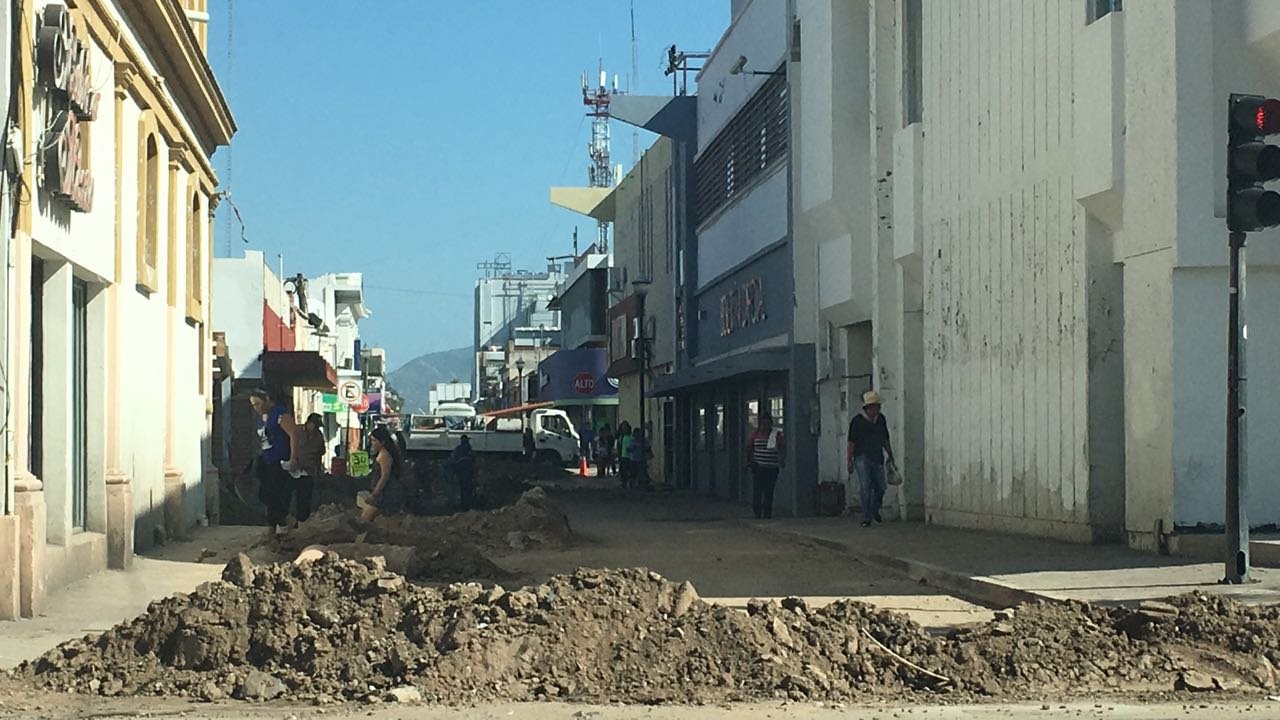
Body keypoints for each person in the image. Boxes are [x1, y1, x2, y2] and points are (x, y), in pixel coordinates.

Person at [249, 388, 298, 535]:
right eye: (253, 405)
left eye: (258, 404)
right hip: (267, 459)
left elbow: (293, 434)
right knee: (264, 493)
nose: (256, 408)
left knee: (273, 493)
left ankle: (286, 521)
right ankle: (274, 525)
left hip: (280, 459)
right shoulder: (263, 418)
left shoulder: (280, 414)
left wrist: (293, 457)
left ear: (268, 400)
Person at [847, 390, 894, 527]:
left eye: (878, 406)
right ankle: (867, 517)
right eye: (875, 406)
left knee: (881, 487)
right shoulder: (857, 421)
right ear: (868, 408)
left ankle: (874, 509)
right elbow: (851, 442)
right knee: (865, 486)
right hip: (861, 457)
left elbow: (885, 439)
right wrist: (849, 460)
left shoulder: (881, 420)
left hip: (877, 456)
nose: (877, 409)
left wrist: (890, 455)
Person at [361, 426, 407, 522]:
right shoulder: (382, 454)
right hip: (384, 492)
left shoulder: (384, 455)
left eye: (374, 441)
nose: (372, 443)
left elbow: (384, 476)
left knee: (366, 518)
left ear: (382, 442)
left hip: (386, 493)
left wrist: (375, 493)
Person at [747, 412, 785, 519]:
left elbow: (782, 447)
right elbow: (749, 448)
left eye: (767, 423)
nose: (765, 426)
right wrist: (750, 461)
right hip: (759, 466)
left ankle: (767, 512)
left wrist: (781, 460)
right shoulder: (755, 435)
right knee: (758, 490)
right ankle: (757, 512)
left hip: (772, 467)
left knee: (769, 491)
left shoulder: (776, 435)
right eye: (763, 423)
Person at [292, 413, 327, 524]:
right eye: (314, 425)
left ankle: (302, 520)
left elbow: (321, 451)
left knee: (305, 497)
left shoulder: (319, 435)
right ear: (308, 423)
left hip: (309, 471)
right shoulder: (296, 431)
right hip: (294, 469)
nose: (315, 428)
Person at [448, 434, 477, 511]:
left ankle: (461, 504)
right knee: (467, 488)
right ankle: (467, 505)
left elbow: (453, 458)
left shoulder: (458, 448)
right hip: (467, 470)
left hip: (460, 470)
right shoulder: (468, 448)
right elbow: (473, 458)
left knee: (461, 488)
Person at [616, 420, 634, 487]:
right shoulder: (622, 437)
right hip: (623, 456)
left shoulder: (632, 437)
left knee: (631, 470)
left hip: (631, 456)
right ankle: (624, 482)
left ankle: (630, 482)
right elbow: (619, 446)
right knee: (624, 471)